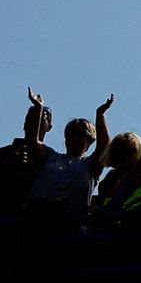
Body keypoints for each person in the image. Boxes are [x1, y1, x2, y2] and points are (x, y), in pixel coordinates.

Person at [25, 91, 113, 223]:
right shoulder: (50, 156)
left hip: (71, 225)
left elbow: (104, 145)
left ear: (90, 140)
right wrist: (39, 108)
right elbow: (32, 141)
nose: (74, 137)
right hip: (39, 221)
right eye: (70, 133)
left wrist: (100, 114)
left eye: (80, 134)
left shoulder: (90, 165)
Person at [0, 92, 54, 215]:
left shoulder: (52, 158)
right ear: (24, 124)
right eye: (31, 119)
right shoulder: (5, 153)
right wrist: (7, 163)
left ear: (49, 127)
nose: (35, 123)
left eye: (41, 119)